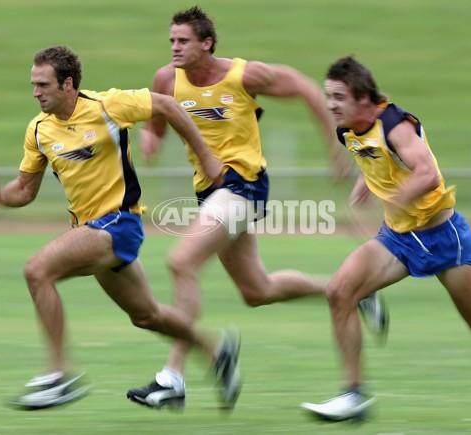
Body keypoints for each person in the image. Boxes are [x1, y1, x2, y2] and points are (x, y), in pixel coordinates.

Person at [126, 6, 388, 410]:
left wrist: (334, 143)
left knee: (182, 262)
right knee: (257, 290)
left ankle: (173, 376)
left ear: (206, 43)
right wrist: (152, 138)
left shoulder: (244, 76)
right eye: (172, 41)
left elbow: (302, 86)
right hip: (208, 190)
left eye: (183, 41)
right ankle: (351, 290)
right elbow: (161, 113)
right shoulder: (166, 78)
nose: (175, 48)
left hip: (242, 184)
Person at [0, 45, 242, 411]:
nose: (35, 92)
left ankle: (59, 376)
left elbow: (167, 106)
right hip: (91, 230)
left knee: (37, 270)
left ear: (67, 84)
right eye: (33, 84)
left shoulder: (108, 105)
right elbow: (24, 190)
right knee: (146, 316)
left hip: (120, 223)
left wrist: (206, 157)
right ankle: (217, 353)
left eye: (43, 84)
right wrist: (0, 197)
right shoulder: (38, 130)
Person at [300, 55, 471, 421]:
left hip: (442, 237)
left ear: (363, 99)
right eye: (328, 95)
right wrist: (365, 183)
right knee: (340, 291)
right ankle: (354, 396)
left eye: (338, 97)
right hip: (397, 239)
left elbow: (427, 173)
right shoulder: (349, 127)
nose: (330, 105)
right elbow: (375, 156)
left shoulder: (396, 126)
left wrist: (393, 197)